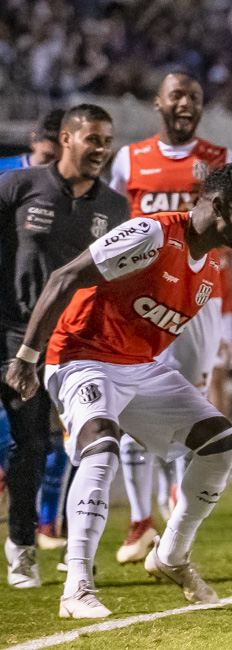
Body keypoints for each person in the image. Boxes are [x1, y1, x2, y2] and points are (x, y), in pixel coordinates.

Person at [5, 163, 232, 618]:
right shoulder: (151, 234)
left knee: (221, 442)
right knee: (101, 447)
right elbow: (65, 277)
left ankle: (171, 556)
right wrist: (27, 358)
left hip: (137, 367)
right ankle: (77, 587)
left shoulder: (208, 270)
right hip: (80, 355)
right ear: (220, 207)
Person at [109, 72, 232, 564]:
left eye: (195, 97)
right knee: (127, 403)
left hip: (199, 302)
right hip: (140, 300)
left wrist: (226, 314)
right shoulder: (129, 159)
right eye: (177, 95)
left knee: (187, 406)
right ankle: (140, 521)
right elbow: (117, 224)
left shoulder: (221, 161)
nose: (186, 103)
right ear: (157, 101)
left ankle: (173, 503)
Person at [0, 104, 130, 589]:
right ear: (68, 139)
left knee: (90, 443)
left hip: (79, 339)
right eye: (92, 139)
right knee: (30, 443)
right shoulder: (20, 187)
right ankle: (22, 547)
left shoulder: (115, 208)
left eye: (106, 141)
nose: (100, 149)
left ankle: (77, 547)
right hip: (14, 334)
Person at [0, 108, 69, 552]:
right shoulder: (8, 179)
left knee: (52, 427)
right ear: (33, 143)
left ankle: (47, 523)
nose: (49, 165)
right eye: (44, 154)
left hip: (44, 322)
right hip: (7, 317)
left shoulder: (73, 193)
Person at [0, 108, 63, 173]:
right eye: (47, 157)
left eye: (61, 161)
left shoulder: (69, 179)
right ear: (33, 142)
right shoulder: (4, 170)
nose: (53, 166)